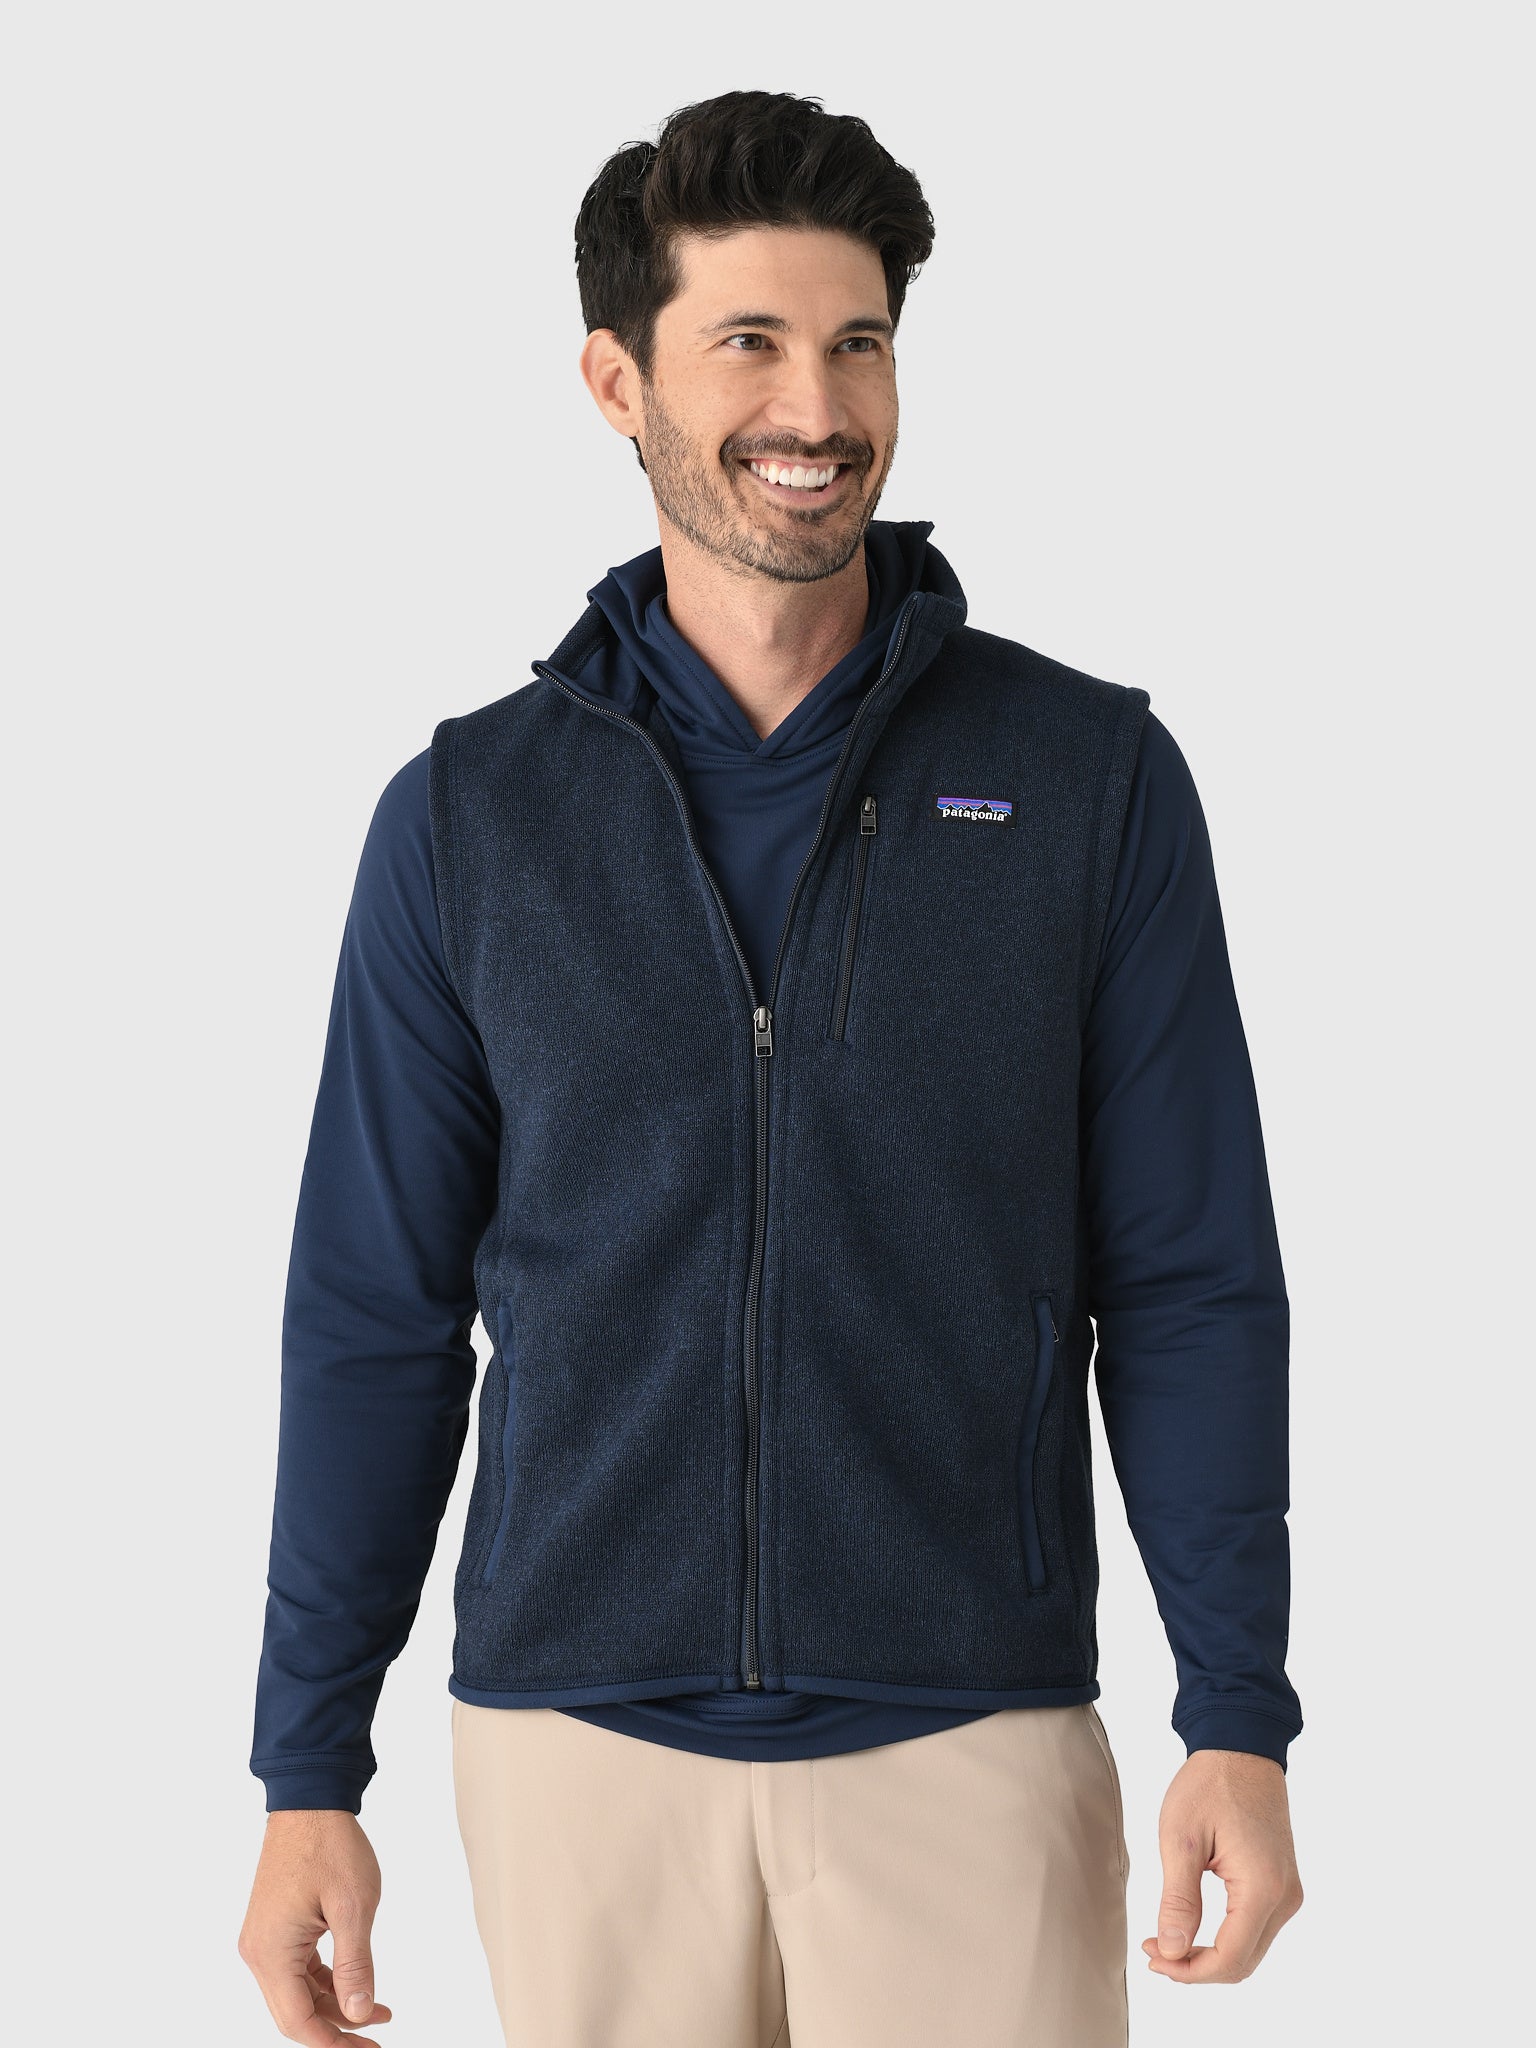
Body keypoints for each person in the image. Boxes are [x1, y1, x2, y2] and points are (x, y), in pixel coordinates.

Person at [238, 88, 1304, 2048]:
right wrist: (309, 1764)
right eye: (750, 341)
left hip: (973, 1737)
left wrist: (1236, 1709)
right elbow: (375, 1314)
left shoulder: (1088, 782)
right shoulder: (469, 819)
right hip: (573, 1752)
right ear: (616, 380)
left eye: (859, 341)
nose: (817, 406)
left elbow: (1188, 1280)